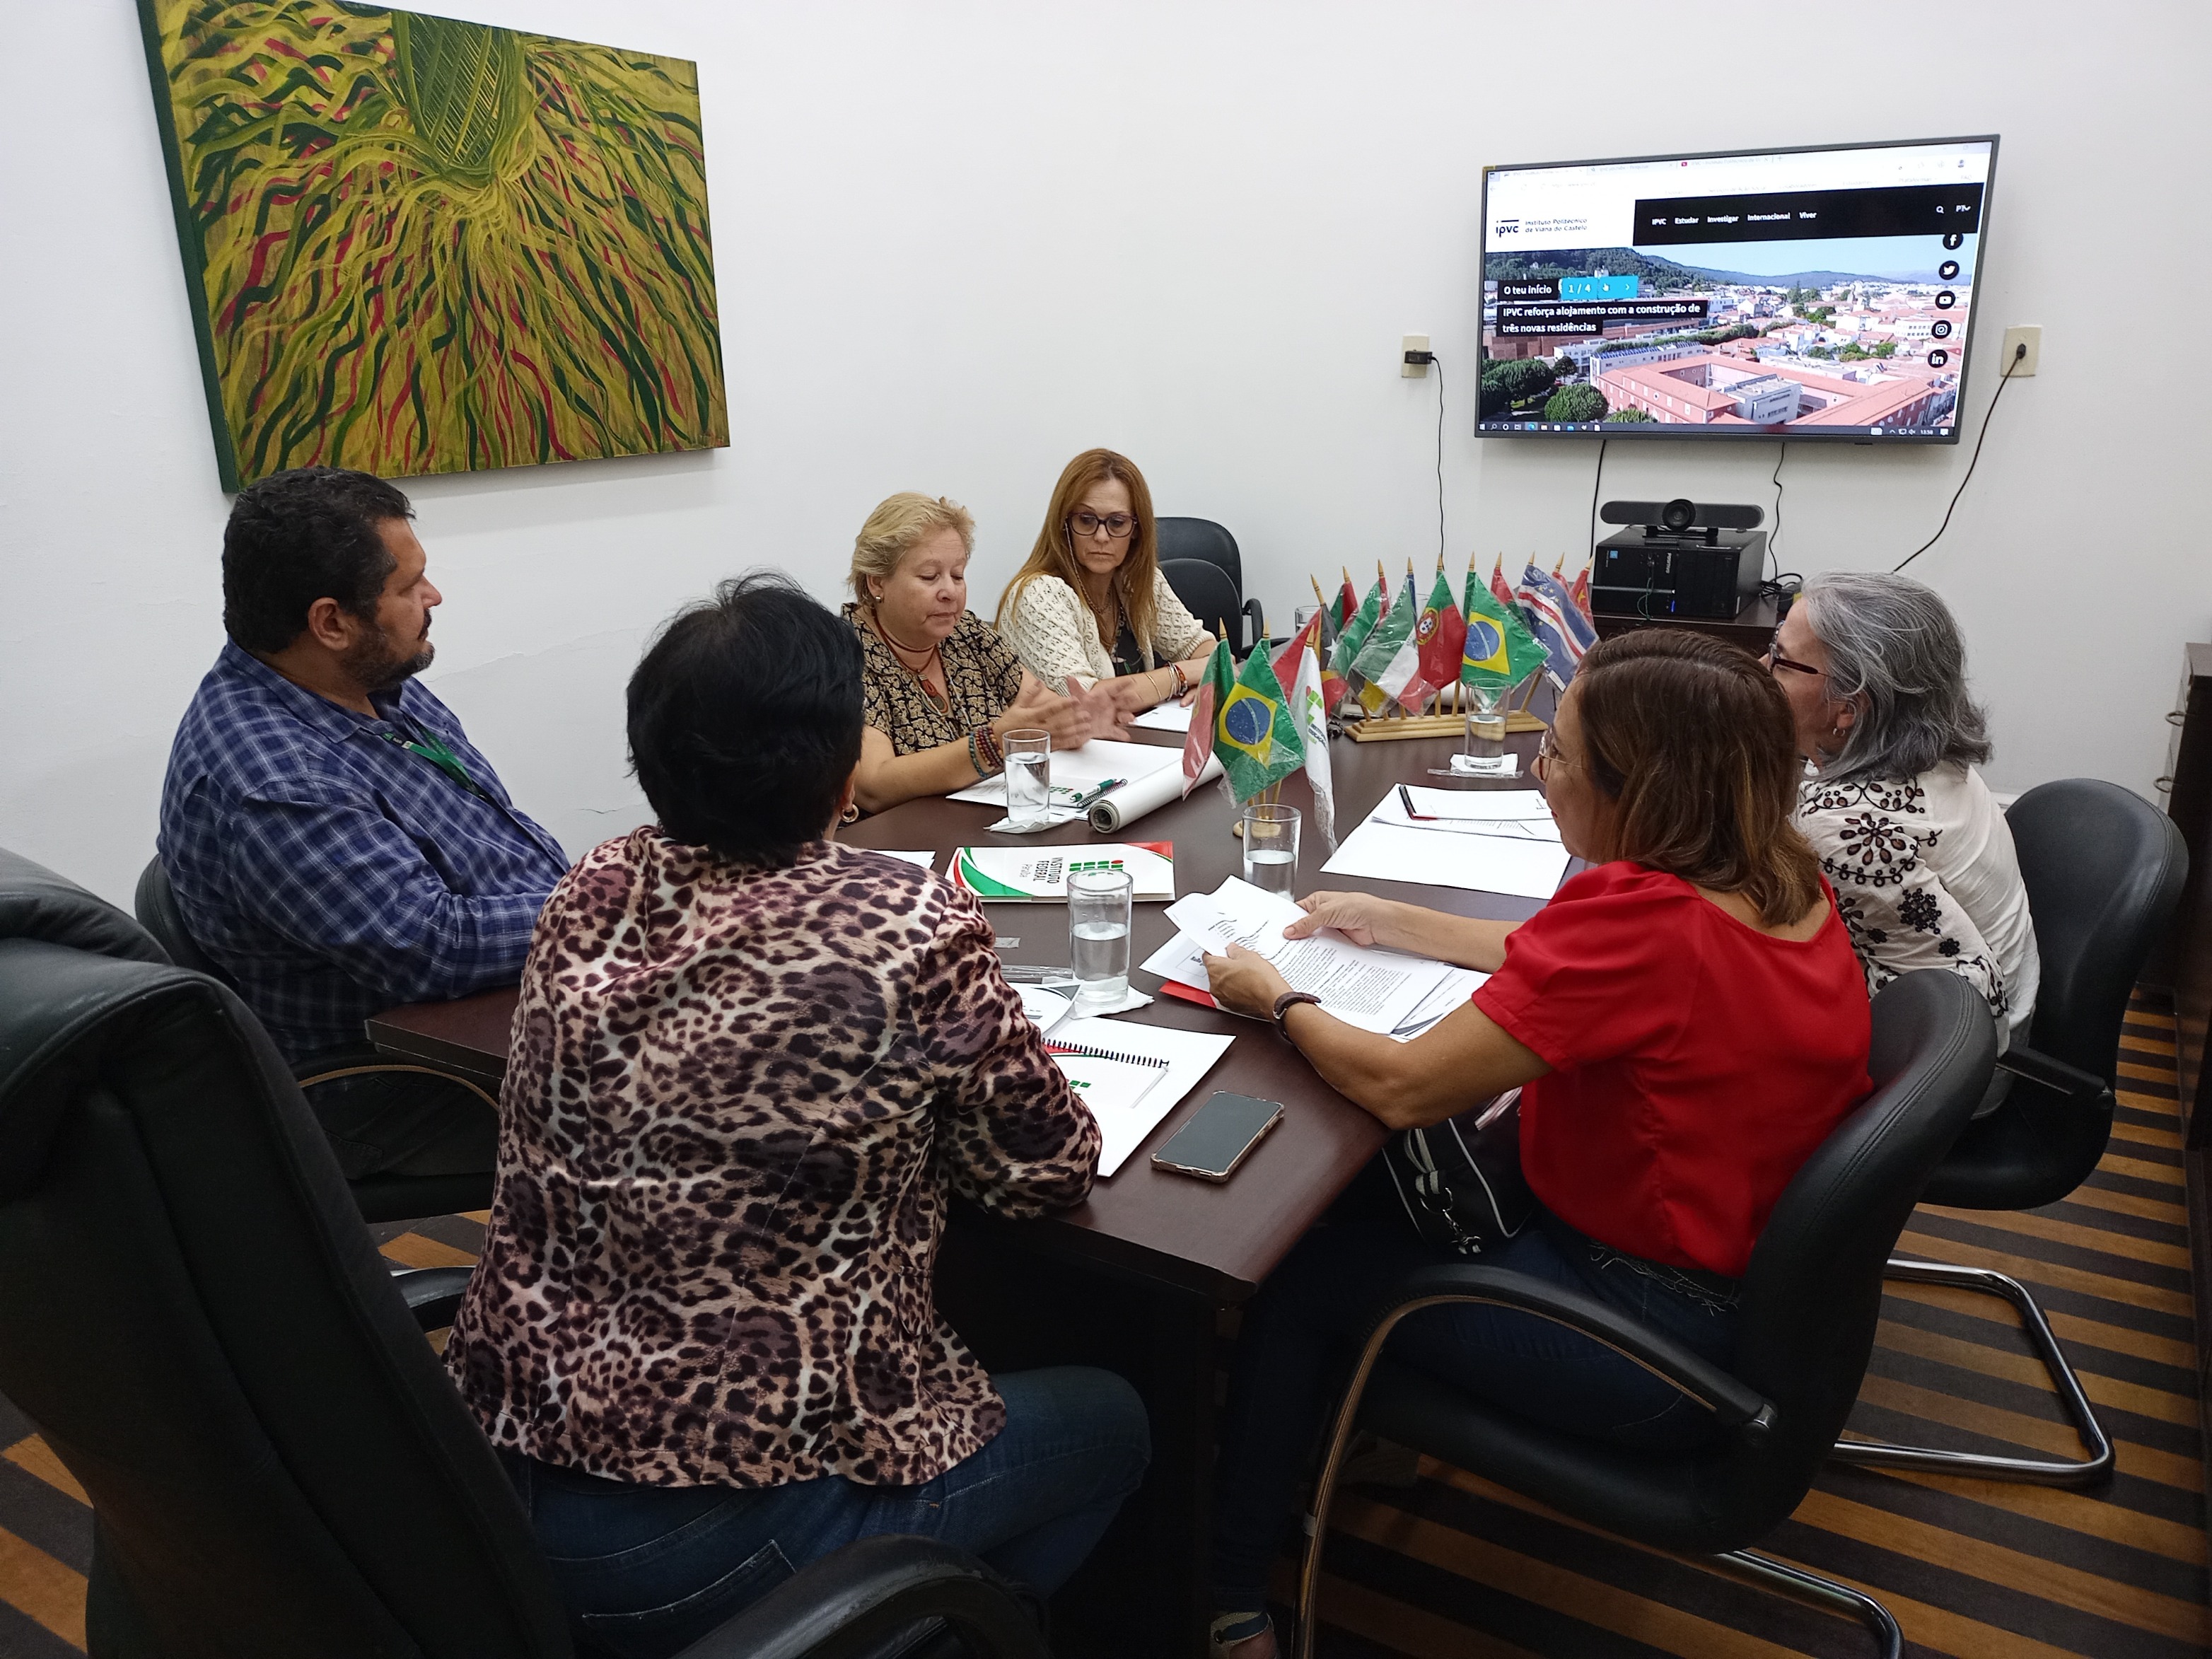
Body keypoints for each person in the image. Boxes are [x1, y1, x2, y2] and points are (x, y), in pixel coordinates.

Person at [443, 573, 1148, 1657]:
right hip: (716, 1521)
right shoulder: (903, 919)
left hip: (491, 1488)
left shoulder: (589, 889)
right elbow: (1046, 1169)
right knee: (1116, 1420)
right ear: (838, 772)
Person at [1197, 632, 1872, 1658]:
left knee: (1298, 1276)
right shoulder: (1776, 878)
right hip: (1737, 1298)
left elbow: (1401, 1084)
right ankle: (1346, 1430)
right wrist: (1390, 918)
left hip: (1653, 1344)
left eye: (1556, 753)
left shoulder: (1649, 926)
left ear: (1639, 789)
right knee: (1363, 1196)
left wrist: (1275, 997)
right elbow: (1563, 958)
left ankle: (1228, 1599)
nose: (1537, 770)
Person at [158, 466, 569, 1182]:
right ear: (331, 622)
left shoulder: (370, 684)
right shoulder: (275, 781)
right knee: (702, 1102)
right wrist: (610, 903)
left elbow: (499, 846)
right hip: (399, 1086)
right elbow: (432, 946)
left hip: (507, 1002)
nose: (433, 597)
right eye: (409, 586)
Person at [1765, 571, 2038, 1056]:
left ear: (1848, 710)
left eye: (1781, 660)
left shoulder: (1848, 825)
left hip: (1958, 1060)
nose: (1761, 666)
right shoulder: (1925, 747)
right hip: (1991, 1018)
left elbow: (1972, 997)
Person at [844, 491, 1125, 813]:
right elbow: (873, 785)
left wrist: (1079, 720)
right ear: (877, 582)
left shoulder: (968, 633)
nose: (950, 592)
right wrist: (993, 744)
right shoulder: (845, 655)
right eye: (929, 577)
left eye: (958, 575)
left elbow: (1043, 713)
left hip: (984, 823)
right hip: (900, 837)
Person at [994, 448, 1214, 711]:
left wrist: (1207, 678)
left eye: (1117, 522)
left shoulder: (1135, 580)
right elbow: (1086, 702)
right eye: (1086, 520)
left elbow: (1208, 652)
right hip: (1061, 739)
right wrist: (1182, 675)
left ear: (1136, 529)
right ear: (1065, 524)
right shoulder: (1038, 594)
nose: (1101, 537)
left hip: (1135, 733)